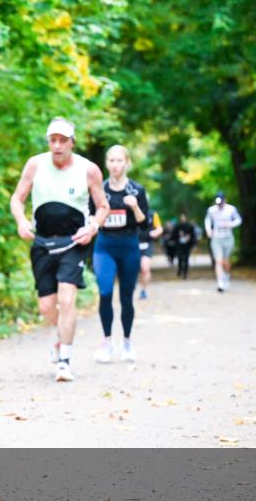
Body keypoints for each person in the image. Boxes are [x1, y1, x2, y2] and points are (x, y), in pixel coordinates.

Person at [10, 117, 109, 382]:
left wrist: (93, 227)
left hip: (73, 242)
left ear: (72, 142)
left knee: (67, 300)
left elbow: (103, 206)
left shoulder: (89, 170)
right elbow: (17, 198)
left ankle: (64, 360)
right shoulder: (35, 164)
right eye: (52, 140)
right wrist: (21, 220)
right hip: (42, 243)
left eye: (62, 140)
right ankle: (61, 336)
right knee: (46, 307)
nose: (57, 146)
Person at [90, 145, 151, 364]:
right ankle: (107, 341)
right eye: (112, 161)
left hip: (129, 246)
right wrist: (95, 221)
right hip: (105, 246)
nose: (115, 165)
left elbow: (146, 226)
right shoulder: (99, 190)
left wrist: (135, 208)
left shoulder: (137, 190)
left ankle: (126, 342)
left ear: (127, 163)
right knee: (105, 291)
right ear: (106, 164)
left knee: (127, 297)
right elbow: (89, 218)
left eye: (119, 161)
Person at [204, 191, 242, 292]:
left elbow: (238, 220)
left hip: (228, 237)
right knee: (218, 261)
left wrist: (230, 224)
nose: (219, 205)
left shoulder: (231, 209)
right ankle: (220, 282)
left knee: (225, 261)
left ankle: (226, 274)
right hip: (216, 238)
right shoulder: (211, 210)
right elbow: (207, 220)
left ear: (225, 200)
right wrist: (208, 230)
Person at [137, 209, 163, 299]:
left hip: (147, 244)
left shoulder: (152, 214)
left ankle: (143, 290)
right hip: (133, 244)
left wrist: (155, 233)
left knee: (145, 268)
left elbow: (159, 228)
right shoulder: (130, 212)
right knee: (134, 269)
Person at [173, 212, 197, 279]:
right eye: (181, 218)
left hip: (187, 245)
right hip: (179, 245)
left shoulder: (190, 226)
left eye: (184, 218)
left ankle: (185, 273)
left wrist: (191, 241)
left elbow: (193, 236)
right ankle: (180, 270)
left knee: (186, 259)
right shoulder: (177, 226)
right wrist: (178, 235)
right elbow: (173, 235)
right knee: (180, 258)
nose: (182, 219)